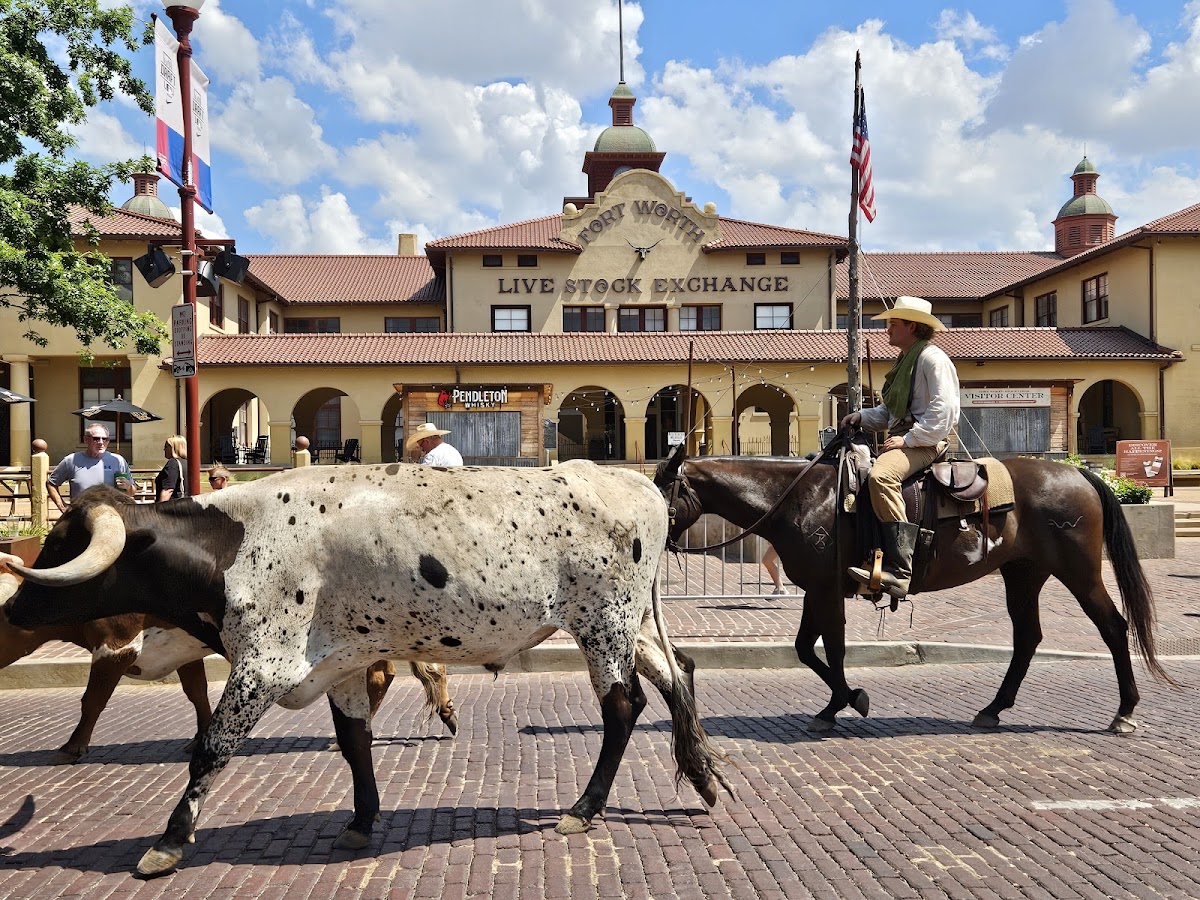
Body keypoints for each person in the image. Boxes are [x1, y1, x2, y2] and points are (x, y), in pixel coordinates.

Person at [840, 296, 961, 600]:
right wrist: (861, 417)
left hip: (925, 442)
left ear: (913, 327)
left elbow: (943, 412)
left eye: (894, 323)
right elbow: (890, 413)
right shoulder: (906, 360)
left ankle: (900, 569)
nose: (887, 329)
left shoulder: (932, 359)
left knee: (881, 477)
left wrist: (908, 440)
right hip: (904, 439)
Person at [47, 423, 135, 513]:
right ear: (86, 440)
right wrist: (62, 506)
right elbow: (51, 483)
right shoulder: (71, 460)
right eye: (96, 439)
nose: (101, 442)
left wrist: (128, 487)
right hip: (80, 515)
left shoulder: (118, 460)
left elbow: (131, 492)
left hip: (110, 515)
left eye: (105, 439)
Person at [155, 435, 189, 502]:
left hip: (173, 505)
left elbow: (168, 490)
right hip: (186, 504)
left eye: (166, 446)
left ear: (173, 448)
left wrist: (159, 507)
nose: (164, 449)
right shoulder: (187, 463)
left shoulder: (173, 463)